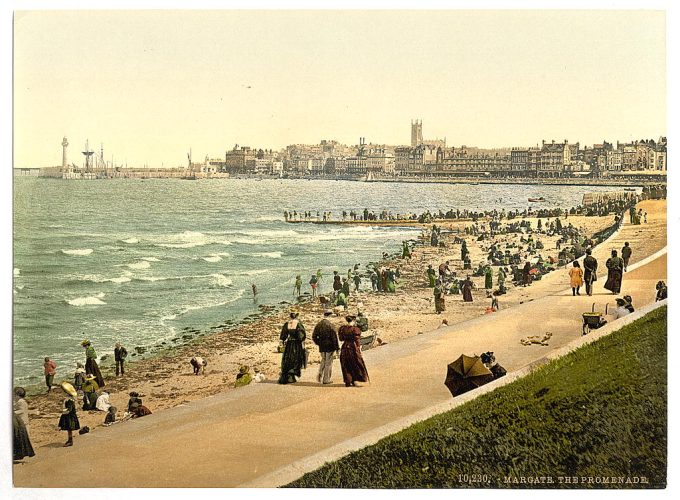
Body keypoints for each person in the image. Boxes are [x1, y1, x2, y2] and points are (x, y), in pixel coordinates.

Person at [338, 316, 370, 387]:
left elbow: (341, 339)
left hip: (344, 347)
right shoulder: (355, 329)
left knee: (346, 364)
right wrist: (359, 348)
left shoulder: (343, 329)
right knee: (356, 363)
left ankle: (348, 381)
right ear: (353, 321)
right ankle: (356, 379)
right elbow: (357, 340)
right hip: (353, 347)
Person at [278, 309, 307, 384]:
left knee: (288, 359)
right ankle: (292, 376)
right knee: (296, 359)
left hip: (289, 343)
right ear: (296, 316)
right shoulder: (298, 324)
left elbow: (283, 335)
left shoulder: (287, 323)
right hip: (296, 344)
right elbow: (301, 336)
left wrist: (283, 341)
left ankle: (287, 376)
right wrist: (302, 340)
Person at [312, 309, 340, 385]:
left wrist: (318, 343)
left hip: (322, 346)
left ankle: (320, 373)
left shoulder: (319, 324)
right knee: (328, 363)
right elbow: (334, 338)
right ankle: (326, 379)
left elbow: (314, 336)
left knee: (323, 360)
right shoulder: (330, 325)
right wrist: (337, 349)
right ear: (330, 316)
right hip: (330, 347)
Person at [13, 394, 35, 460]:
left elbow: (22, 411)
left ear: (18, 395)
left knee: (23, 437)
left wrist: (13, 412)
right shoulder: (21, 401)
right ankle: (24, 452)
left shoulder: (20, 402)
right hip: (22, 421)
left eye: (15, 395)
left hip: (22, 421)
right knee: (24, 437)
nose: (14, 396)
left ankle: (25, 452)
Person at [58, 382, 80, 447]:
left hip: (69, 417)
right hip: (70, 416)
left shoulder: (69, 400)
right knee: (69, 429)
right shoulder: (71, 399)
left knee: (69, 428)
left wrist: (63, 411)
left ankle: (70, 440)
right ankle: (70, 440)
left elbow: (69, 409)